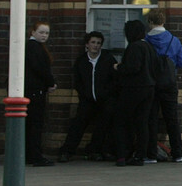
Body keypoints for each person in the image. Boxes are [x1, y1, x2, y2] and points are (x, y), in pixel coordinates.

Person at [61, 31, 117, 162]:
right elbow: (78, 81)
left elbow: (115, 79)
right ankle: (67, 151)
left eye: (98, 43)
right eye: (93, 42)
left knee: (103, 124)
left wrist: (107, 93)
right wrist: (84, 94)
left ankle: (96, 150)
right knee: (78, 123)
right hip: (87, 99)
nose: (95, 46)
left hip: (104, 99)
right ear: (87, 44)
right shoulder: (81, 61)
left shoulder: (107, 59)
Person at [115, 19, 159, 167]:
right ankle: (140, 155)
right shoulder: (149, 47)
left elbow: (133, 68)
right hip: (149, 88)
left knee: (122, 121)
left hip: (133, 89)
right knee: (142, 123)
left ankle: (122, 155)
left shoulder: (134, 47)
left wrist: (118, 68)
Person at [145, 11, 182, 163]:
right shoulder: (174, 40)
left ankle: (151, 154)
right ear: (163, 22)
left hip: (151, 84)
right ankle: (177, 153)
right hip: (169, 84)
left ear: (150, 21)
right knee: (172, 119)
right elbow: (181, 62)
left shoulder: (146, 41)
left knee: (151, 119)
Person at [23, 22, 57, 167]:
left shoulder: (33, 47)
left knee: (31, 124)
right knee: (35, 125)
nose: (44, 36)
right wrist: (50, 82)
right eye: (41, 32)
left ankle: (31, 154)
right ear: (33, 32)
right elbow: (40, 68)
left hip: (32, 90)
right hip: (35, 91)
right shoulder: (34, 47)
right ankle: (35, 156)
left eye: (47, 33)